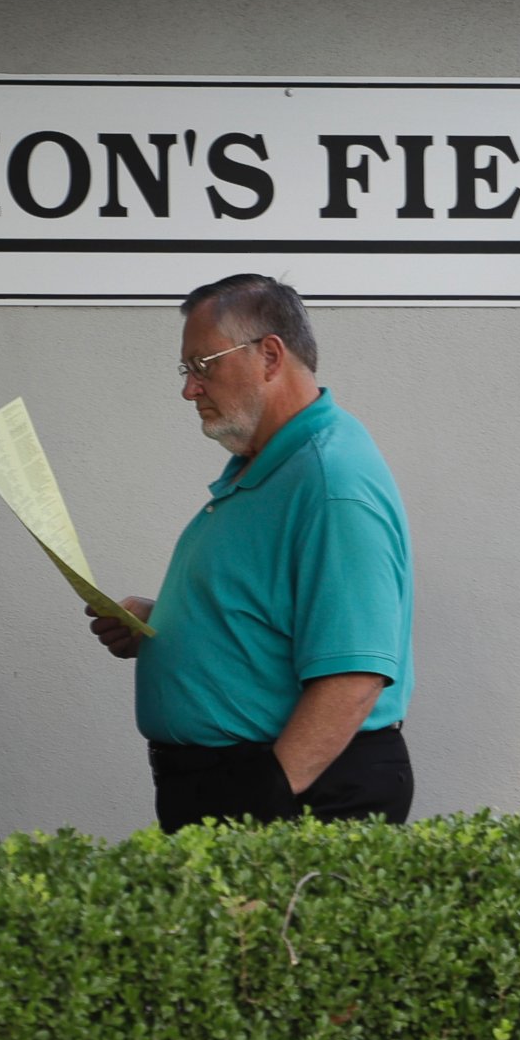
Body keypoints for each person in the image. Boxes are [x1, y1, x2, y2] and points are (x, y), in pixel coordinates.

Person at [86, 274, 416, 833]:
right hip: (254, 783)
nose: (190, 389)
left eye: (203, 365)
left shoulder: (330, 479)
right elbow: (269, 609)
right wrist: (166, 624)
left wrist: (258, 804)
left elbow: (354, 677)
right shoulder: (270, 467)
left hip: (297, 794)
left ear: (268, 356)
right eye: (187, 371)